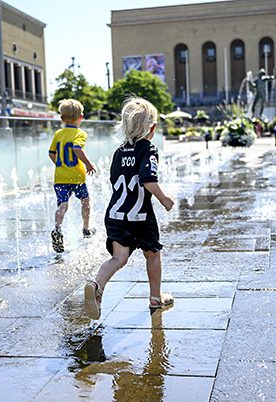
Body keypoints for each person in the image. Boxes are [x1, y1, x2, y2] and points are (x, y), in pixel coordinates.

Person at [83, 97, 175, 320]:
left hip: (116, 214)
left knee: (118, 258)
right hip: (140, 216)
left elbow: (115, 179)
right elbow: (147, 179)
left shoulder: (118, 152)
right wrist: (164, 199)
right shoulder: (149, 149)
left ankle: (97, 286)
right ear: (152, 128)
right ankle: (155, 298)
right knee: (152, 254)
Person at [48, 99, 97, 253]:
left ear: (62, 118)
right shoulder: (80, 133)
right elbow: (76, 148)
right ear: (81, 117)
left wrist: (59, 165)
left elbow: (51, 153)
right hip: (77, 177)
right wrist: (88, 164)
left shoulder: (58, 133)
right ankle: (86, 228)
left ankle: (57, 228)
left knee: (62, 204)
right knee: (85, 201)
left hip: (60, 178)